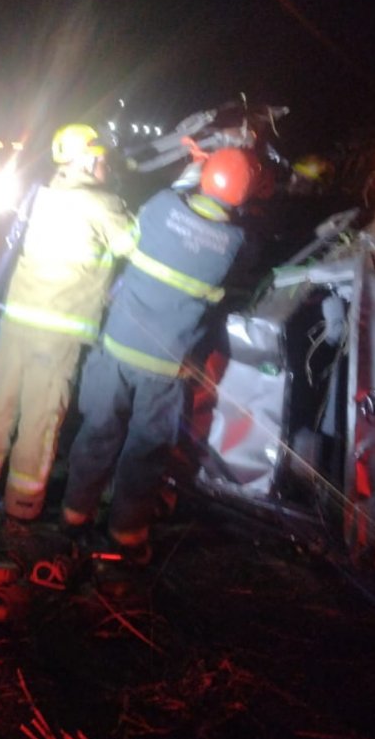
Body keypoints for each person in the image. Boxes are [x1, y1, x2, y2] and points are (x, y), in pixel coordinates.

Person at [61, 147, 257, 565]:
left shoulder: (162, 205)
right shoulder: (236, 244)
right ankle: (126, 532)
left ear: (205, 176)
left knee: (98, 430)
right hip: (166, 366)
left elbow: (159, 217)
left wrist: (193, 168)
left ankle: (75, 513)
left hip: (117, 346)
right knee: (146, 449)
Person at [0, 123, 138, 520]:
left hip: (16, 324)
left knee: (0, 406)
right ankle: (22, 504)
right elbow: (133, 245)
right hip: (56, 333)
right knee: (39, 421)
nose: (106, 165)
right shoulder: (103, 203)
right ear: (87, 160)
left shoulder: (44, 196)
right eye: (102, 159)